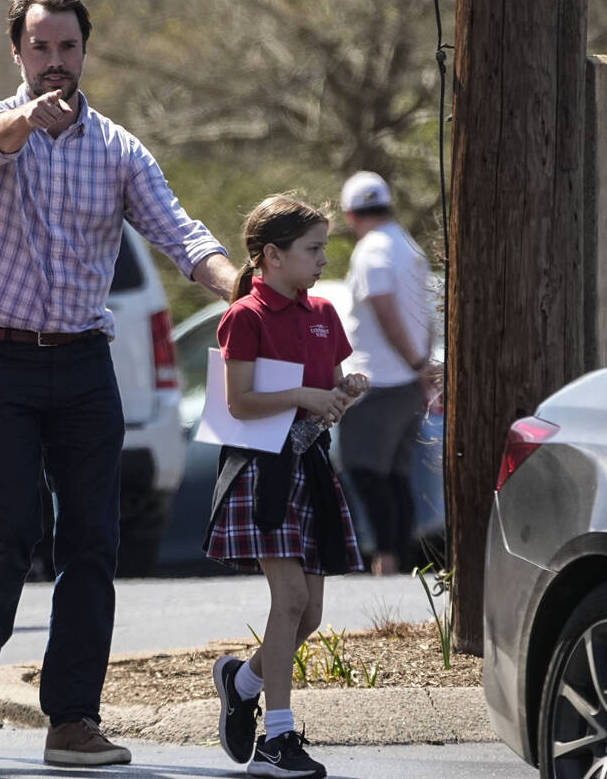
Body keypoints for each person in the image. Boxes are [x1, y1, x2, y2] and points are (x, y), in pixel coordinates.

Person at [0, 0, 236, 767]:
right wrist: (26, 121)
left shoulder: (119, 150)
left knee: (92, 539)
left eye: (67, 49)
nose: (54, 63)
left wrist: (243, 287)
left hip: (82, 360)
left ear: (83, 52)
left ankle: (72, 719)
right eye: (40, 49)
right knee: (8, 528)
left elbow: (180, 233)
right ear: (18, 54)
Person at [207, 195, 368, 779]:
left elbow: (326, 396)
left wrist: (344, 390)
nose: (324, 259)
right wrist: (306, 396)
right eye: (313, 249)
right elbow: (240, 402)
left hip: (310, 467)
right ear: (271, 256)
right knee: (291, 600)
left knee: (311, 615)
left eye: (324, 247)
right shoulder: (244, 316)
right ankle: (277, 740)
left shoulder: (323, 312)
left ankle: (241, 680)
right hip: (263, 471)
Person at [335, 171, 437, 576]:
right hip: (408, 380)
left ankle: (388, 560)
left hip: (375, 379)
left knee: (363, 470)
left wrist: (414, 361)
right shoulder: (407, 246)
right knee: (395, 475)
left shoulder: (370, 250)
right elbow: (426, 312)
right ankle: (398, 559)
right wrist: (422, 364)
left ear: (349, 215)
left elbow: (382, 303)